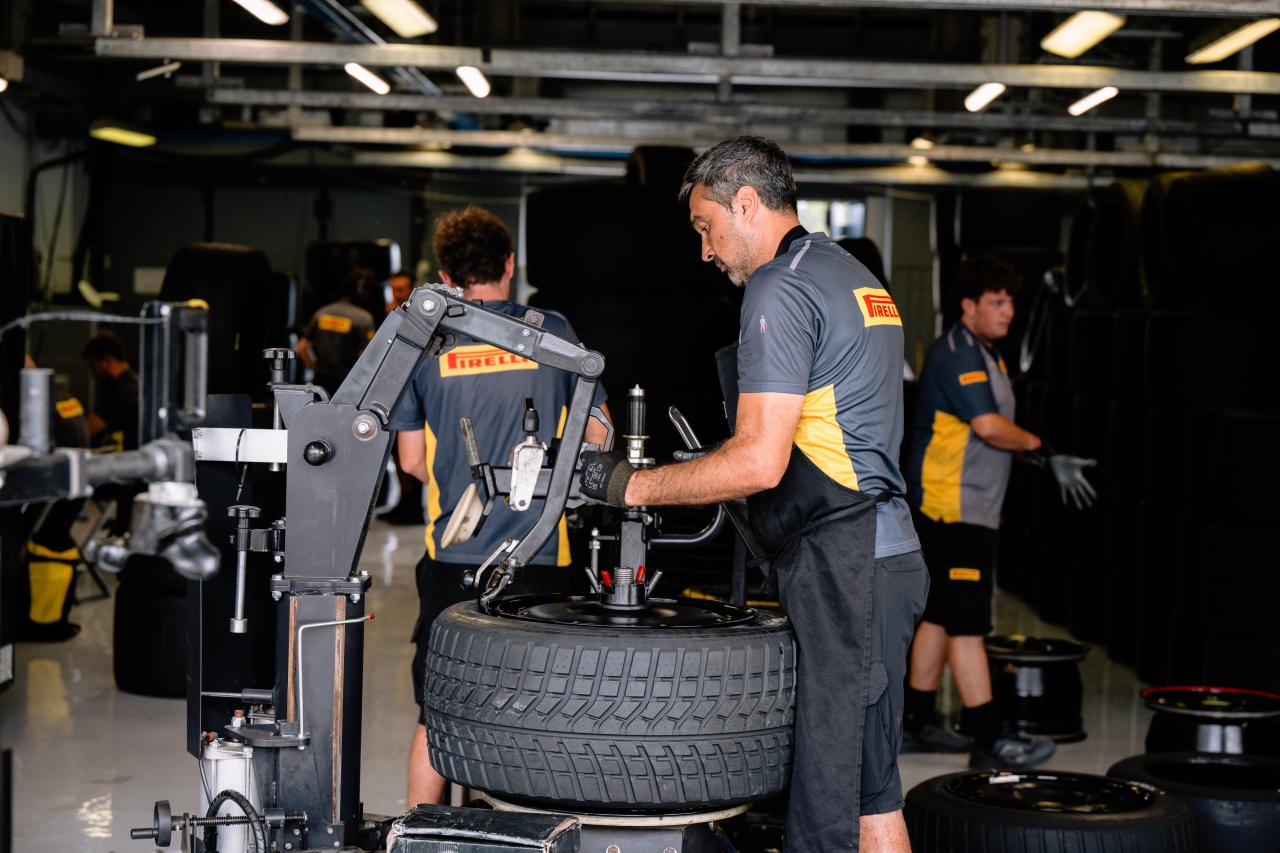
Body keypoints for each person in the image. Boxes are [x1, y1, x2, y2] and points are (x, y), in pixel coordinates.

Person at [578, 136, 927, 853]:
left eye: (706, 227)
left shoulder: (779, 285)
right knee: (869, 790)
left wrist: (630, 484)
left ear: (745, 203)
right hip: (879, 554)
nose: (705, 251)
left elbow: (760, 463)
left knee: (838, 802)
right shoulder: (850, 273)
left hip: (850, 567)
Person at [389, 206, 612, 807]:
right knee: (536, 708)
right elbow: (598, 434)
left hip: (453, 558)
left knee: (437, 712)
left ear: (445, 274)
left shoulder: (426, 340)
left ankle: (420, 833)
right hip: (540, 556)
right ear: (509, 264)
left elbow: (411, 461)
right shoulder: (553, 330)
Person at [900, 254, 1095, 768]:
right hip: (952, 509)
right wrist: (1045, 451)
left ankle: (916, 720)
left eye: (1011, 301)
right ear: (969, 306)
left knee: (938, 616)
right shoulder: (958, 353)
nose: (1009, 311)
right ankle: (989, 740)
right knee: (966, 623)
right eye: (997, 301)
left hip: (968, 507)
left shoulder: (987, 353)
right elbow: (988, 427)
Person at [297, 267, 377, 396]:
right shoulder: (364, 319)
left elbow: (302, 347)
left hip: (320, 382)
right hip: (348, 385)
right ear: (366, 293)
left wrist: (315, 367)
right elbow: (367, 357)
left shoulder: (322, 313)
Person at [81, 332, 139, 451]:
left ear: (106, 362)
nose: (93, 375)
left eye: (93, 367)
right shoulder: (136, 382)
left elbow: (85, 431)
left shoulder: (122, 392)